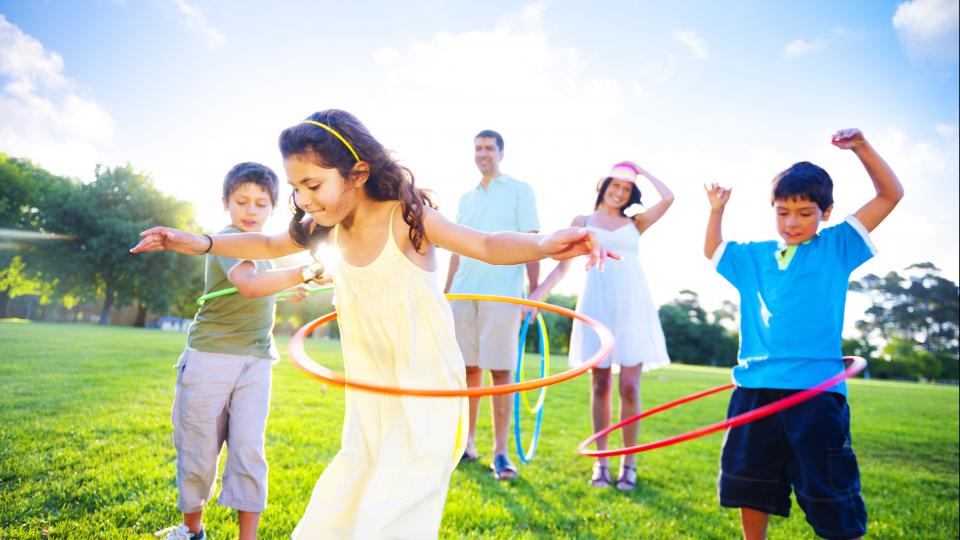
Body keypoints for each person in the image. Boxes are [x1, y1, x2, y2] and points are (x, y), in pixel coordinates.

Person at [132, 109, 617, 539]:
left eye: (313, 185)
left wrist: (547, 242)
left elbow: (487, 245)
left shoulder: (408, 218)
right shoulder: (324, 226)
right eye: (297, 189)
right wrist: (199, 242)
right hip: (372, 395)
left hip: (426, 386)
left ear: (357, 172)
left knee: (396, 501)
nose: (303, 200)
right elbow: (266, 246)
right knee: (349, 491)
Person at [703, 128, 903, 540]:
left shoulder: (837, 247)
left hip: (816, 391)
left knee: (826, 486)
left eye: (805, 213)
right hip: (756, 385)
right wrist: (716, 209)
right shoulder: (754, 256)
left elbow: (889, 195)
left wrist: (862, 148)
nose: (792, 223)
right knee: (749, 481)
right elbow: (713, 250)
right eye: (782, 212)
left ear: (825, 212)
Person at [154, 162, 317, 540]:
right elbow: (246, 285)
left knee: (248, 450)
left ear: (273, 208)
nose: (251, 210)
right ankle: (192, 530)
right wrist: (302, 273)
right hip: (210, 357)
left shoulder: (267, 249)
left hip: (257, 360)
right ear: (225, 202)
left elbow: (262, 285)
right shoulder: (227, 239)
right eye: (242, 201)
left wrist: (287, 288)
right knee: (198, 450)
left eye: (261, 204)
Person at [528, 160, 673, 490]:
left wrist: (642, 170)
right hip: (598, 305)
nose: (620, 193)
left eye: (626, 189)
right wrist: (538, 295)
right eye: (615, 186)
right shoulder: (582, 221)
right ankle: (602, 462)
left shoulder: (636, 223)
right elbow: (562, 267)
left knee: (630, 387)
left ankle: (629, 463)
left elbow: (668, 198)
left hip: (633, 307)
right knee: (601, 385)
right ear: (603, 186)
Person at [444, 129, 540, 480]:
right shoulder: (466, 198)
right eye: (478, 148)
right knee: (468, 371)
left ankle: (500, 453)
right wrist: (446, 292)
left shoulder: (520, 190)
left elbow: (533, 241)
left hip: (503, 294)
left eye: (489, 148)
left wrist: (535, 292)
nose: (483, 154)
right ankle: (467, 444)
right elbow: (455, 247)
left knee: (500, 373)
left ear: (501, 152)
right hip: (464, 293)